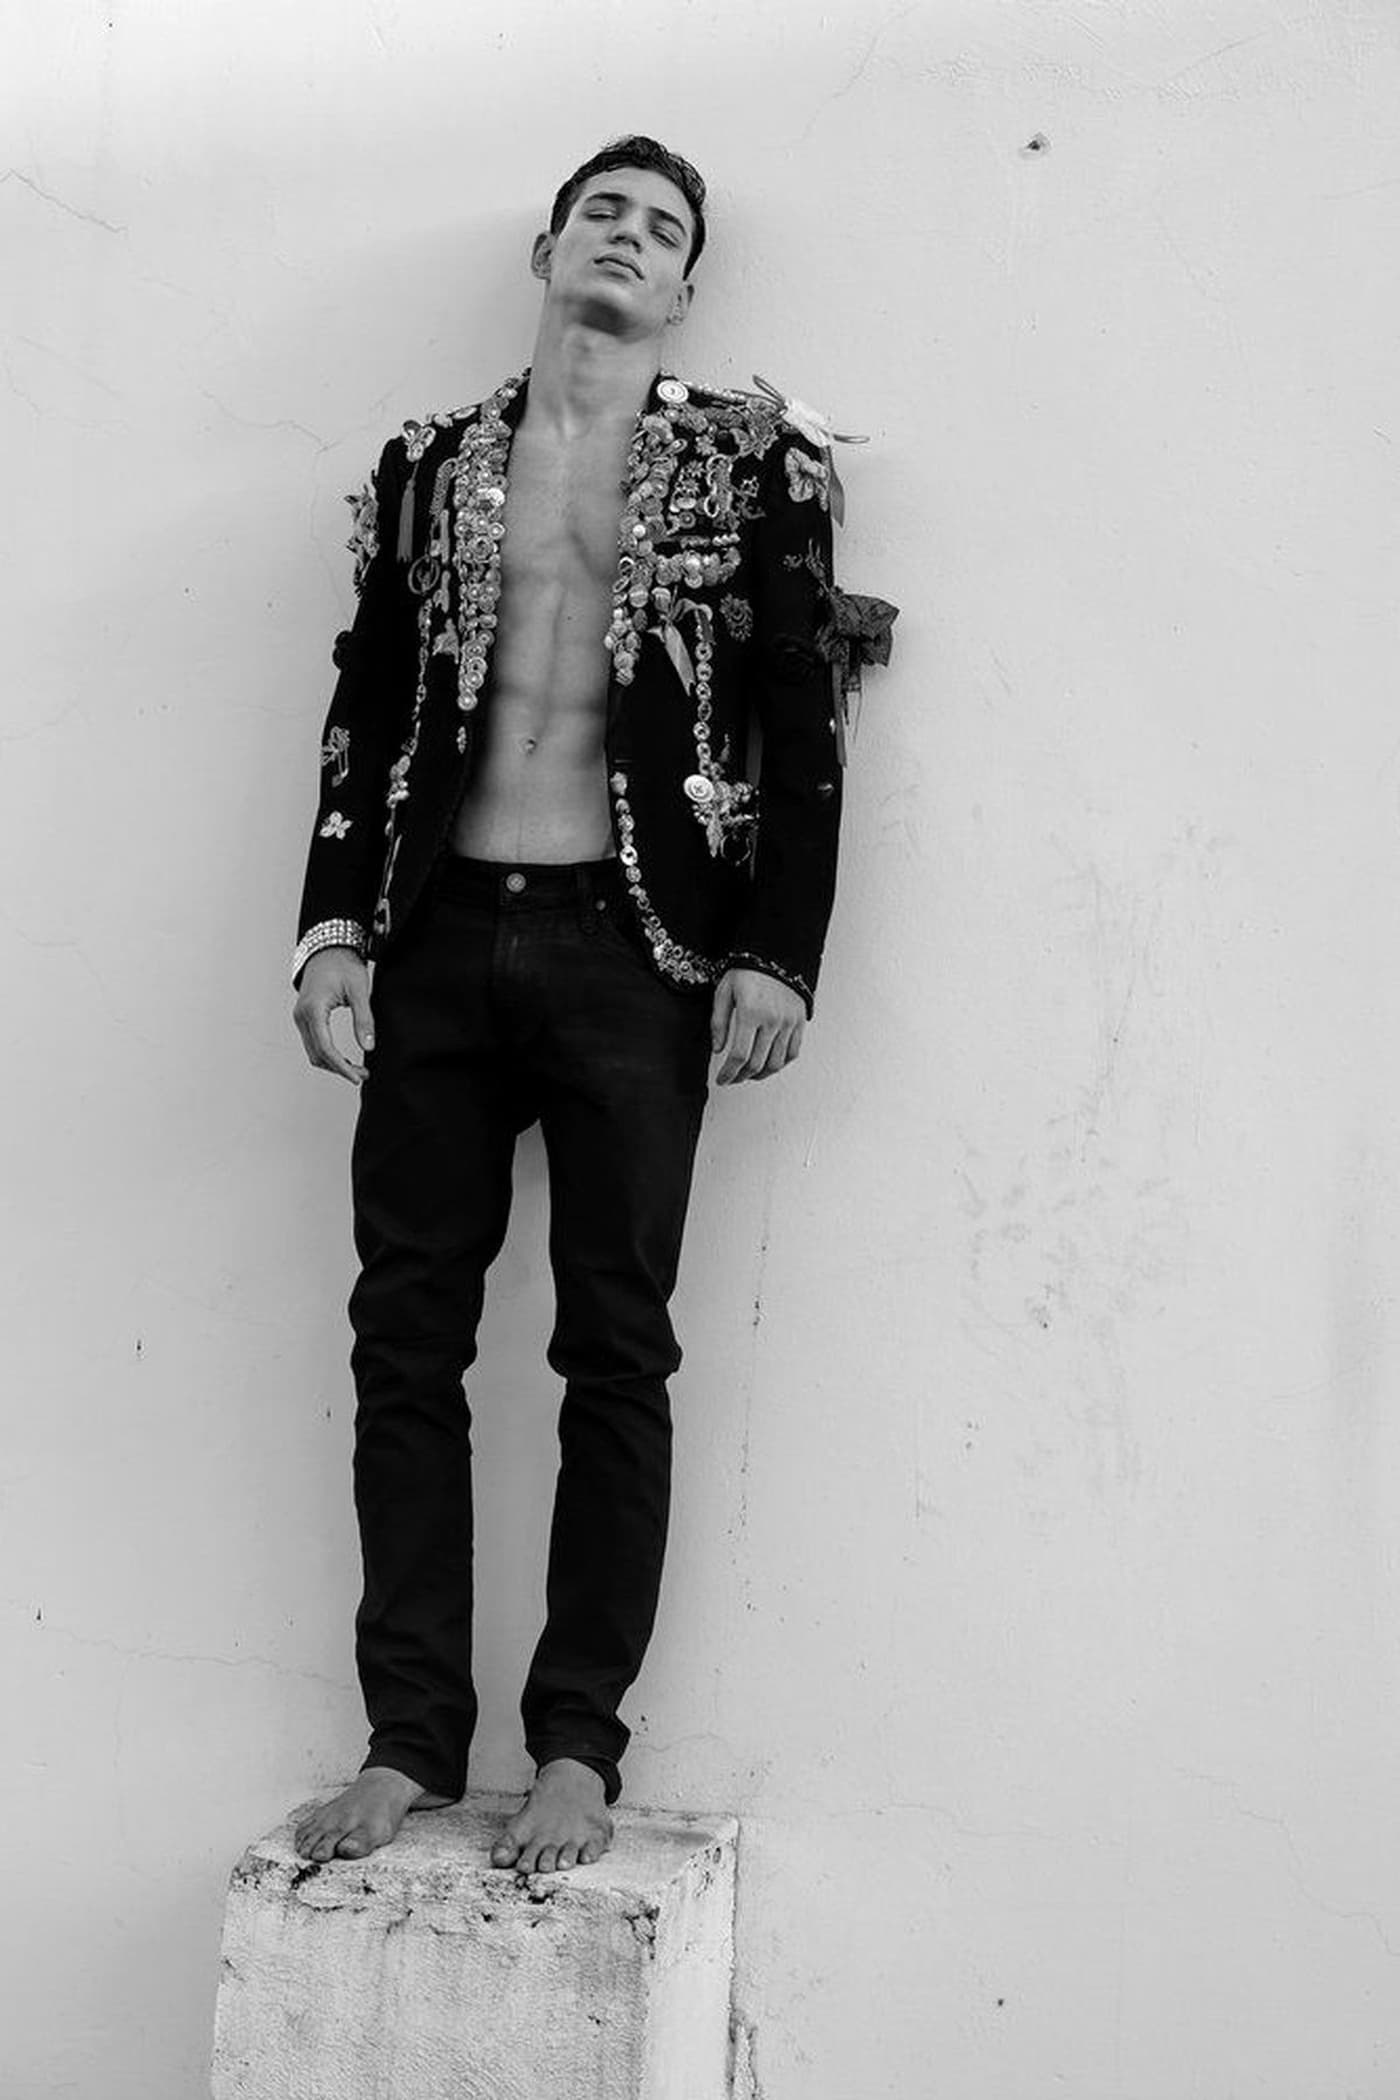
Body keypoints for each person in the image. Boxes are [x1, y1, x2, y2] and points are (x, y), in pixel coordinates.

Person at [288, 135, 890, 1874]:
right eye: (603, 214)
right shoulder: (429, 463)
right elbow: (365, 698)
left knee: (616, 1343)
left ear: (687, 288)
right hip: (437, 931)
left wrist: (778, 950)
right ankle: (408, 1740)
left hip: (640, 950)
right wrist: (331, 927)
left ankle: (575, 1747)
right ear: (546, 250)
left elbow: (804, 712)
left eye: (663, 228)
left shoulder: (754, 465)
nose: (628, 238)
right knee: (405, 1336)